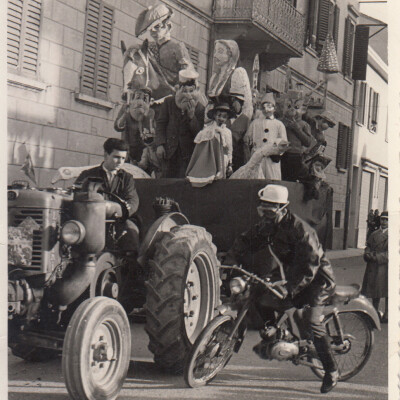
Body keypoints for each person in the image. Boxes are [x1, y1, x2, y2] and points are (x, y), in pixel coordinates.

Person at [224, 184, 339, 393]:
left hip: (317, 279)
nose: (265, 216)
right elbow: (245, 241)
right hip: (292, 275)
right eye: (262, 210)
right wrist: (231, 261)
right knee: (260, 296)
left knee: (313, 323)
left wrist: (289, 288)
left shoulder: (301, 230)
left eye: (269, 211)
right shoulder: (268, 225)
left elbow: (310, 264)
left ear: (283, 208)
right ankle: (273, 331)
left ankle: (331, 370)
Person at [75, 138, 140, 254]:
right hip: (91, 220)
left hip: (119, 221)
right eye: (116, 157)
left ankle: (129, 265)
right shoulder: (88, 175)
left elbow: (132, 201)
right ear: (106, 155)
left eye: (123, 158)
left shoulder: (127, 178)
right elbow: (77, 196)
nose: (120, 162)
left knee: (131, 233)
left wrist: (121, 213)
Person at [155, 69, 205, 178]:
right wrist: (160, 144)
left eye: (191, 91)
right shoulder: (169, 103)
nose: (188, 95)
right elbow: (161, 124)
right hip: (170, 151)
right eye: (185, 91)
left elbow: (199, 134)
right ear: (179, 90)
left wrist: (192, 117)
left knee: (182, 183)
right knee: (166, 180)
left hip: (187, 154)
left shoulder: (200, 108)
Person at [135, 4, 194, 90]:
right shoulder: (148, 48)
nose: (153, 32)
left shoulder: (177, 47)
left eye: (157, 27)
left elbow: (187, 72)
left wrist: (179, 85)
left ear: (168, 26)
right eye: (150, 29)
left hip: (174, 92)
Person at [186, 103, 233, 187]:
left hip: (223, 160)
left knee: (222, 184)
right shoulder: (208, 131)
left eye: (224, 116)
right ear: (214, 116)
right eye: (219, 115)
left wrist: (230, 164)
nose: (221, 118)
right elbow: (202, 149)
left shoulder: (227, 132)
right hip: (212, 161)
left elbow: (229, 149)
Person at [243, 93, 287, 180]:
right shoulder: (255, 123)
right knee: (256, 179)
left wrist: (277, 153)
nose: (266, 110)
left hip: (271, 158)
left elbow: (283, 142)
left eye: (269, 107)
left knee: (272, 180)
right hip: (257, 156)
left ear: (274, 108)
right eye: (264, 108)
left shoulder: (278, 124)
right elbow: (247, 139)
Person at [208, 39, 253, 119]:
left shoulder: (238, 73)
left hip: (230, 123)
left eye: (220, 52)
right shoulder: (214, 77)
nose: (215, 55)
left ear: (230, 55)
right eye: (215, 51)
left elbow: (245, 108)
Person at [114, 83, 154, 163]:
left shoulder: (150, 112)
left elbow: (150, 137)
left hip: (143, 152)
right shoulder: (126, 108)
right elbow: (117, 126)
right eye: (138, 97)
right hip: (127, 149)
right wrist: (125, 114)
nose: (141, 102)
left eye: (145, 99)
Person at [362, 210, 388, 323]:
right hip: (373, 266)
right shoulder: (374, 234)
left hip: (386, 267)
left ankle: (387, 314)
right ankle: (374, 312)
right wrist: (367, 254)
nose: (384, 222)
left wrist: (376, 257)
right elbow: (368, 246)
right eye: (382, 219)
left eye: (387, 219)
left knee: (387, 291)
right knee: (374, 290)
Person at [227, 90, 250, 171]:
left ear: (241, 104)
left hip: (237, 155)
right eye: (232, 102)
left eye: (236, 102)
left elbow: (246, 141)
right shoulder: (225, 116)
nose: (233, 105)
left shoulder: (245, 120)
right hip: (224, 153)